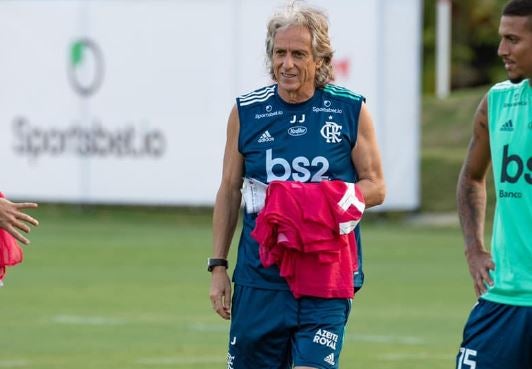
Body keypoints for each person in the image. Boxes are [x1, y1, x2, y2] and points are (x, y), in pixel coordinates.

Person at [209, 2, 385, 368]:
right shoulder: (247, 113)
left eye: (298, 54)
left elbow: (376, 187)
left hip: (326, 278)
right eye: (279, 53)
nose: (286, 64)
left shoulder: (350, 110)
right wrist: (219, 266)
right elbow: (229, 190)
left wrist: (317, 202)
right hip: (260, 278)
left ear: (320, 59)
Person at [455, 1, 532, 368]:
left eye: (512, 40)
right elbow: (471, 177)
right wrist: (474, 249)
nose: (502, 50)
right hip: (503, 299)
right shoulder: (497, 102)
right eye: (502, 38)